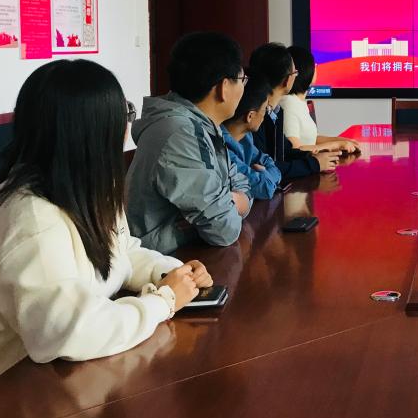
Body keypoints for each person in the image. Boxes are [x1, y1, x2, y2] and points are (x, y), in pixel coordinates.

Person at [0, 60, 212, 406]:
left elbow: (123, 250)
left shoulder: (88, 190)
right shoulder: (32, 217)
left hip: (59, 380)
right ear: (92, 133)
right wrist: (163, 301)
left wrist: (171, 274)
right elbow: (67, 332)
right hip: (1, 395)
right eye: (124, 114)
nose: (127, 126)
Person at [126, 32, 252, 254]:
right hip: (165, 262)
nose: (244, 88)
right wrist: (233, 202)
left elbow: (242, 185)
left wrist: (229, 201)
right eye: (242, 80)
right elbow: (224, 228)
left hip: (187, 256)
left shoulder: (203, 126)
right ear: (224, 87)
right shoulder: (181, 134)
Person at [248, 42, 339, 177]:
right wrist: (314, 164)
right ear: (287, 80)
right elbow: (268, 168)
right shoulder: (255, 117)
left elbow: (286, 151)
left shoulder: (275, 111)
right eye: (295, 72)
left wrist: (312, 156)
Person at [280, 46, 359, 154]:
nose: (316, 67)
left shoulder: (298, 102)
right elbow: (295, 149)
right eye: (314, 65)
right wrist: (336, 145)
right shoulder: (288, 104)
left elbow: (312, 139)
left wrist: (342, 141)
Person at [223, 71, 282, 202]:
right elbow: (265, 188)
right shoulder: (223, 147)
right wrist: (265, 174)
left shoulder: (245, 137)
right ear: (250, 116)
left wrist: (265, 174)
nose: (265, 115)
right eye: (265, 109)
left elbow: (274, 167)